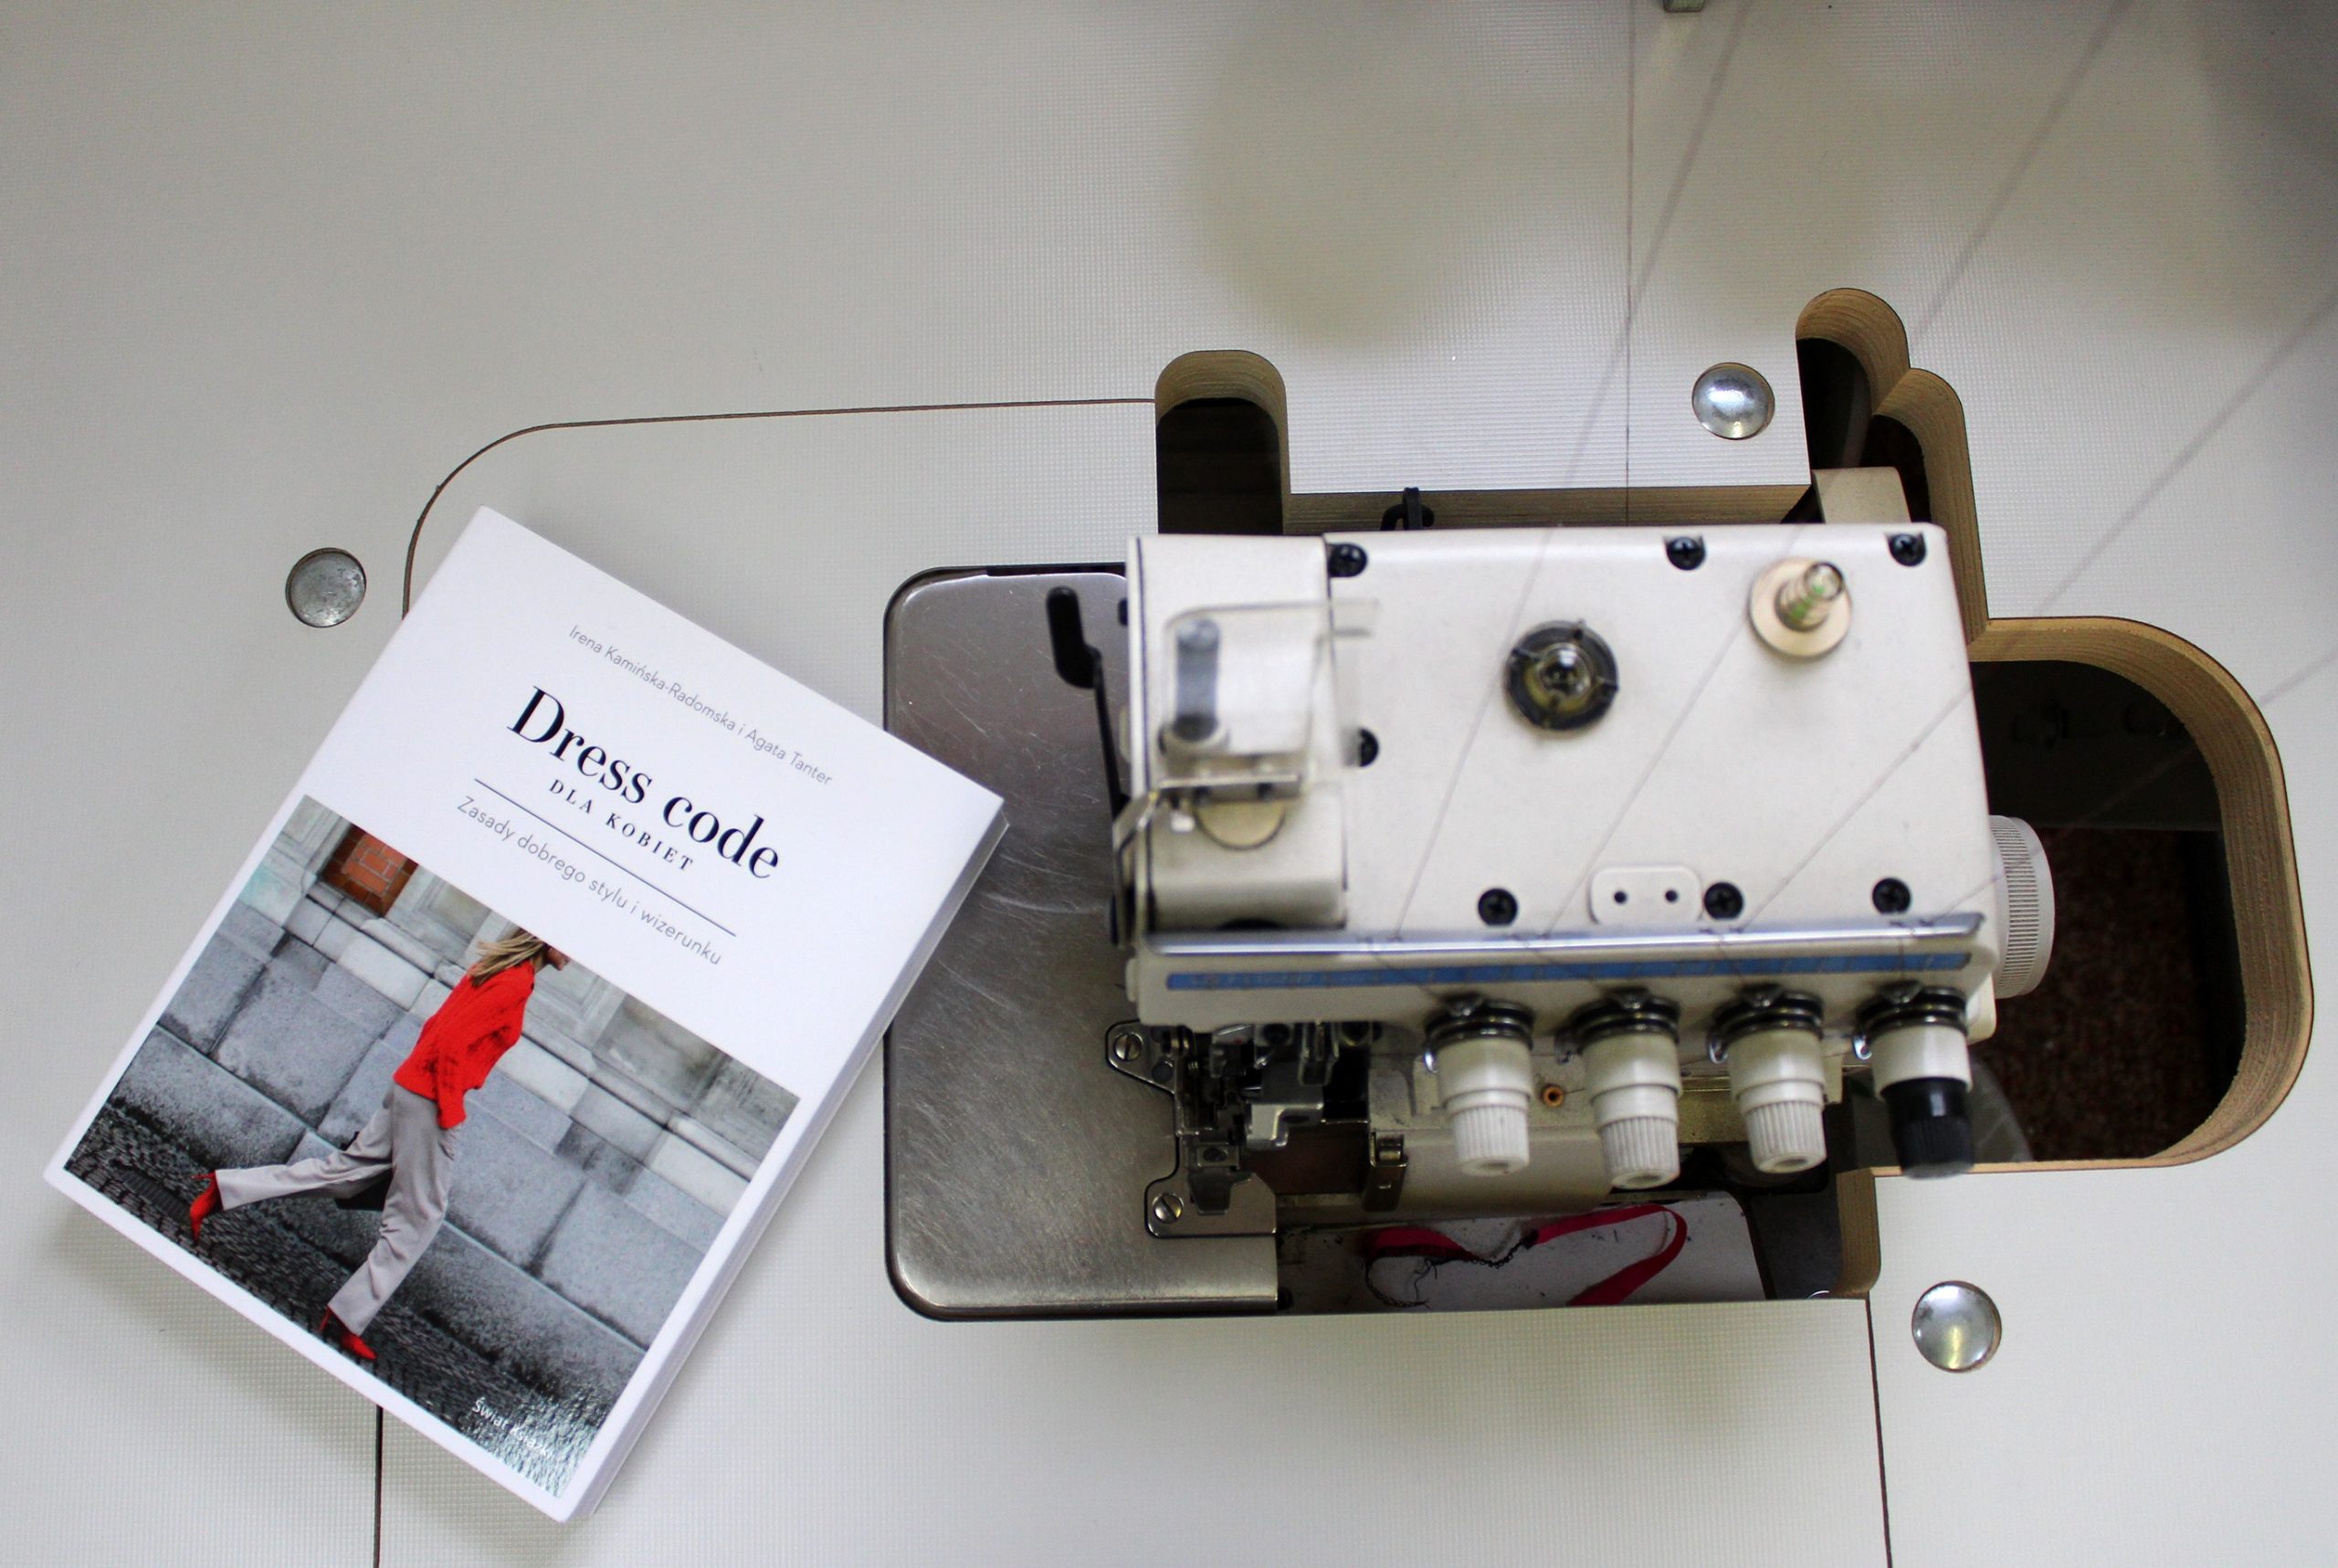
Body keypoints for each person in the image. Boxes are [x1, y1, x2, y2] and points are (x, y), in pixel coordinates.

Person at [188, 928, 570, 1361]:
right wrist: (450, 1110)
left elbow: (436, 1027)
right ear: (546, 937)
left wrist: (421, 1083)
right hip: (430, 1101)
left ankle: (226, 1189)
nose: (575, 958)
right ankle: (348, 1316)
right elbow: (449, 1042)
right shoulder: (515, 982)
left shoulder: (499, 969)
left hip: (411, 1087)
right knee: (419, 1217)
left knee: (344, 1174)